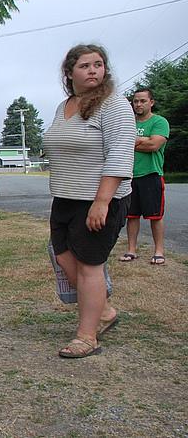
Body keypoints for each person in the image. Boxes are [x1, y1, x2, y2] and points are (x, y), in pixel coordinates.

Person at [43, 44, 135, 358]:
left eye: (98, 64)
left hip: (98, 200)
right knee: (65, 259)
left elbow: (120, 155)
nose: (93, 70)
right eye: (84, 66)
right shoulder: (64, 106)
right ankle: (104, 311)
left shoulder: (114, 105)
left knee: (89, 267)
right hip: (65, 199)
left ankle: (87, 336)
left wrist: (102, 201)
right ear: (69, 74)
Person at [120, 88, 170, 265]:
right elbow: (118, 143)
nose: (138, 104)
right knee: (131, 216)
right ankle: (131, 250)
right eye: (135, 101)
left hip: (152, 174)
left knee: (155, 216)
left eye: (142, 101)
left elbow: (154, 145)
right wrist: (143, 140)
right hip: (129, 176)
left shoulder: (159, 122)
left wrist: (131, 143)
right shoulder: (128, 122)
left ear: (151, 102)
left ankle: (159, 251)